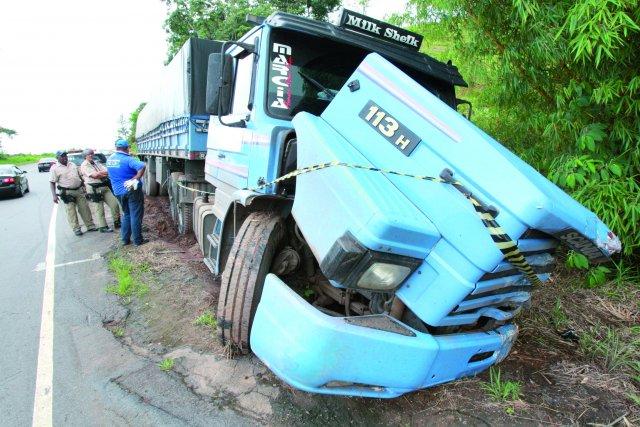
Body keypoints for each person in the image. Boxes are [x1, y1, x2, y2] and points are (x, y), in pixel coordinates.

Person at [106, 139, 147, 246]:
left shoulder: (110, 159)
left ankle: (125, 240)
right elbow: (142, 166)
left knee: (127, 214)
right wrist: (136, 178)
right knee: (135, 215)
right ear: (127, 148)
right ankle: (138, 241)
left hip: (118, 191)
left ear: (117, 148)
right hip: (131, 190)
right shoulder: (127, 159)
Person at [50, 150, 97, 236]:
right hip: (66, 192)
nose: (65, 158)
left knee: (84, 208)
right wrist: (54, 196)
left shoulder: (72, 164)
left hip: (78, 190)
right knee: (71, 211)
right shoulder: (55, 168)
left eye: (65, 156)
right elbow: (52, 182)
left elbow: (79, 176)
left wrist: (84, 186)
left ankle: (90, 225)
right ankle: (76, 228)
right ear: (58, 158)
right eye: (62, 156)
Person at [80, 148, 121, 232]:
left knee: (114, 204)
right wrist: (102, 174)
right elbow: (95, 175)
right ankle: (103, 227)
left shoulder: (96, 162)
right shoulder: (84, 165)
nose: (91, 155)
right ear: (85, 156)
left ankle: (117, 221)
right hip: (94, 188)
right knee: (99, 208)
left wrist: (101, 173)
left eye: (92, 153)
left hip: (104, 186)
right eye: (89, 154)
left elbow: (107, 171)